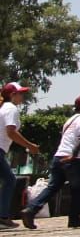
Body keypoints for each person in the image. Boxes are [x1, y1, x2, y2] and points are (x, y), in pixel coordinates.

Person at [21, 94, 80, 229]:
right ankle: (74, 218)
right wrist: (74, 155)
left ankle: (31, 209)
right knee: (77, 189)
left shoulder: (70, 121)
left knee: (53, 187)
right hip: (73, 159)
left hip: (59, 157)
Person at [1, 82, 38, 230]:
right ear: (13, 95)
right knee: (10, 180)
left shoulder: (3, 108)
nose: (23, 96)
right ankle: (2, 217)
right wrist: (30, 145)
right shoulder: (11, 109)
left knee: (8, 179)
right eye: (20, 93)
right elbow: (11, 132)